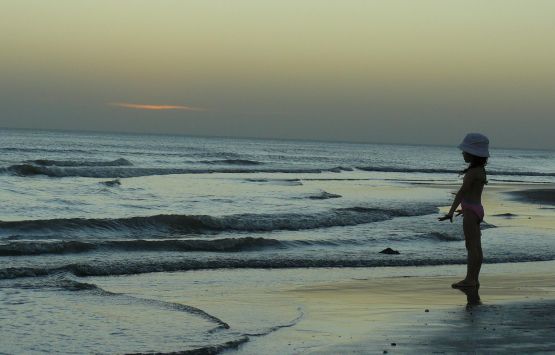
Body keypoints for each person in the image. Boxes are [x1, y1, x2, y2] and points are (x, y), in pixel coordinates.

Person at [439, 133, 489, 288]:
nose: (462, 153)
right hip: (475, 209)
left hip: (471, 212)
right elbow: (471, 193)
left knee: (471, 247)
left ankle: (470, 280)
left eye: (464, 151)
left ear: (472, 153)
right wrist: (464, 209)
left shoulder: (472, 172)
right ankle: (474, 279)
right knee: (476, 247)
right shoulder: (480, 170)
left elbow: (462, 192)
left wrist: (450, 212)